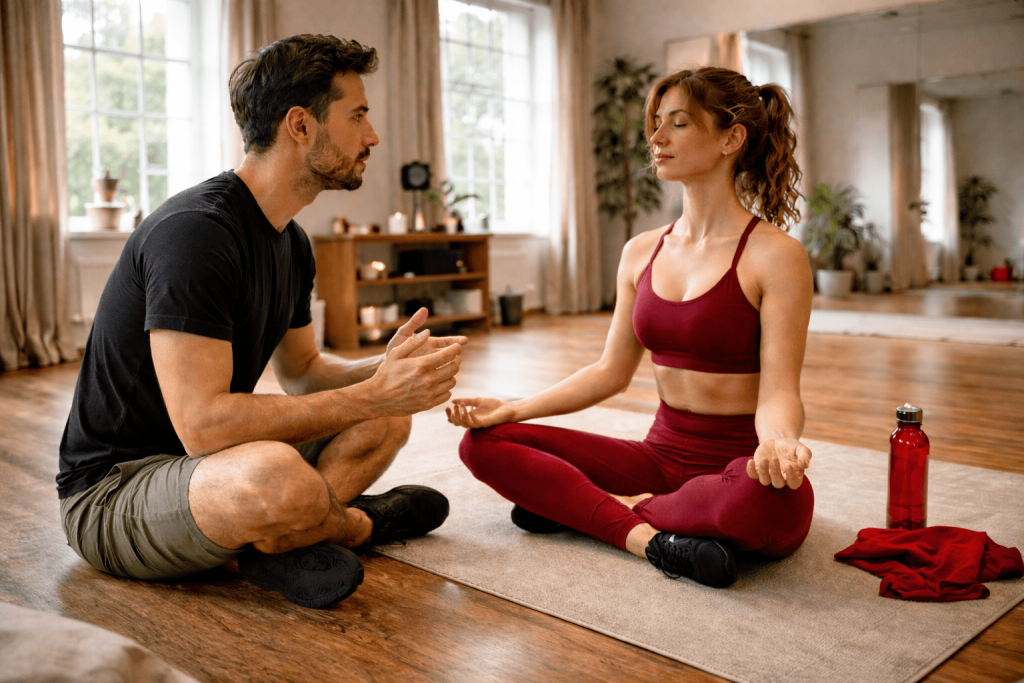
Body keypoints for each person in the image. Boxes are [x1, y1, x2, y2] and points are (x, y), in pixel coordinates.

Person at [57, 34, 464, 610]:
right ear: (301, 126)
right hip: (115, 491)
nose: (372, 136)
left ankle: (278, 537)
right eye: (358, 116)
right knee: (274, 472)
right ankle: (354, 525)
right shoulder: (196, 233)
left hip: (207, 469)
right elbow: (204, 425)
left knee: (387, 422)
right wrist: (371, 395)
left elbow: (303, 371)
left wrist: (389, 372)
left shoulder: (292, 242)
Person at [449, 66, 814, 588]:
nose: (656, 138)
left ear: (732, 138)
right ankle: (651, 538)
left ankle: (584, 510)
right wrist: (513, 408)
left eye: (679, 124)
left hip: (740, 466)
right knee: (484, 443)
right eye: (656, 122)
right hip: (658, 458)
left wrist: (779, 444)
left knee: (769, 505)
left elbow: (780, 390)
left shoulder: (776, 255)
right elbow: (609, 371)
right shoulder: (641, 251)